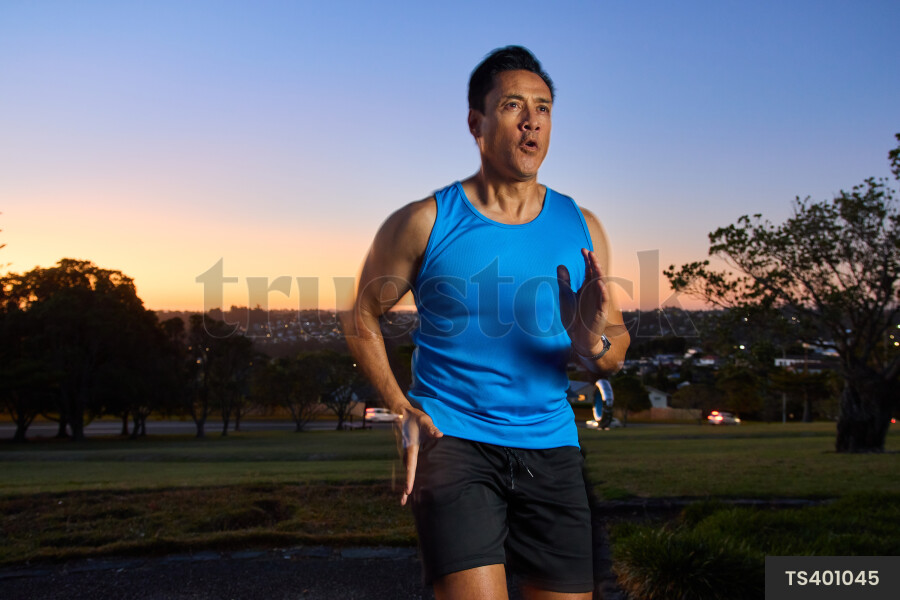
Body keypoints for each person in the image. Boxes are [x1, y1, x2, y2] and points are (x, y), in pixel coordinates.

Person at [343, 46, 629, 600]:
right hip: (454, 441)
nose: (532, 122)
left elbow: (612, 351)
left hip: (552, 444)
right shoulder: (427, 220)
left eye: (543, 108)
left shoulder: (582, 225)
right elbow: (360, 312)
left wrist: (589, 339)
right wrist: (400, 405)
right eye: (513, 106)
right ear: (476, 122)